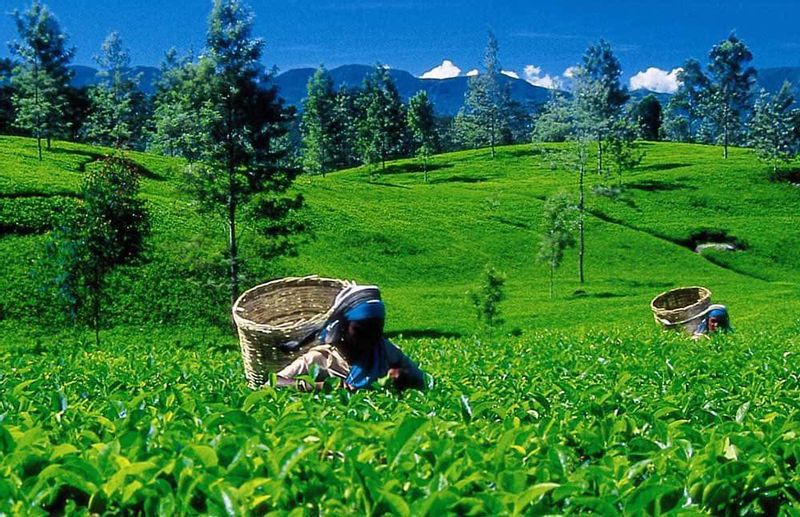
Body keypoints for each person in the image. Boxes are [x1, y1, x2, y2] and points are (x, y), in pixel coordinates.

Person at [276, 284, 426, 391]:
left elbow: (422, 379)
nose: (371, 337)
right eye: (361, 330)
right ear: (343, 327)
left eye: (377, 330)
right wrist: (323, 386)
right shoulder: (321, 358)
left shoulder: (383, 349)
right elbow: (275, 382)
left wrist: (403, 377)